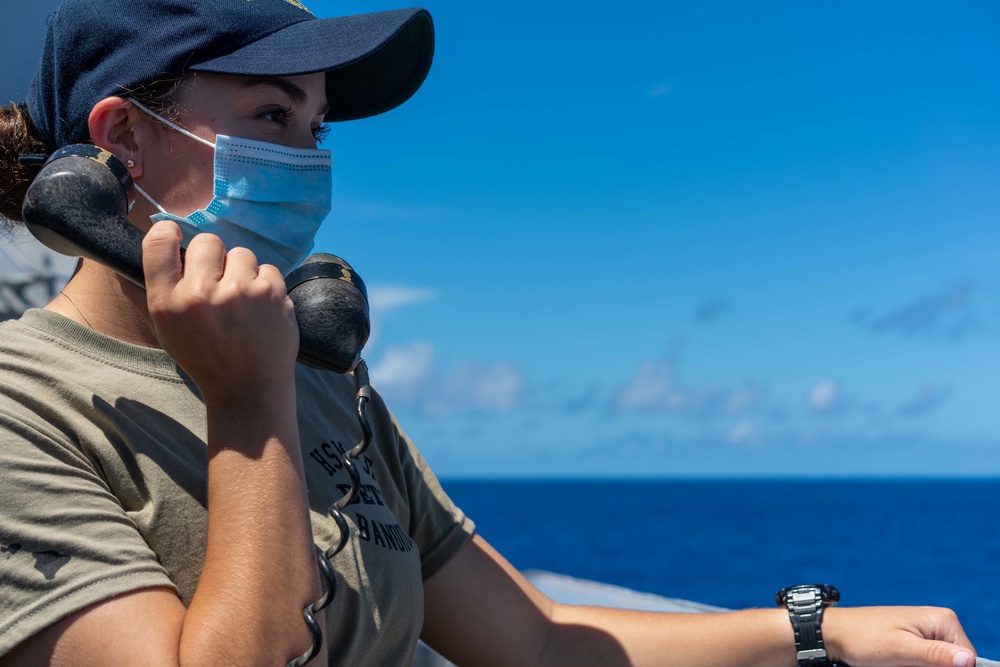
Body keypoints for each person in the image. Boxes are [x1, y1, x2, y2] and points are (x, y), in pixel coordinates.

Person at [0, 0, 981, 665]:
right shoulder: (24, 407)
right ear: (120, 141)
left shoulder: (321, 377)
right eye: (270, 115)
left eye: (317, 130)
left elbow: (539, 639)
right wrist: (250, 407)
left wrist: (816, 631)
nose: (309, 161)